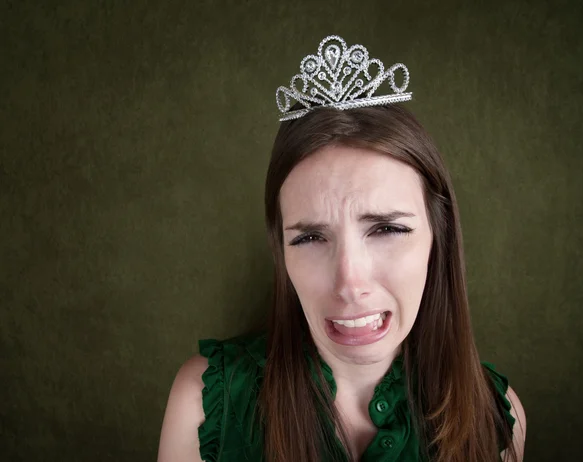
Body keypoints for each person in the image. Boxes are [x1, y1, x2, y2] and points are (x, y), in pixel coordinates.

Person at [157, 35, 526, 462]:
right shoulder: (202, 403)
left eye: (387, 228)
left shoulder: (499, 419)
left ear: (437, 237)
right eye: (310, 238)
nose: (349, 283)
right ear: (281, 251)